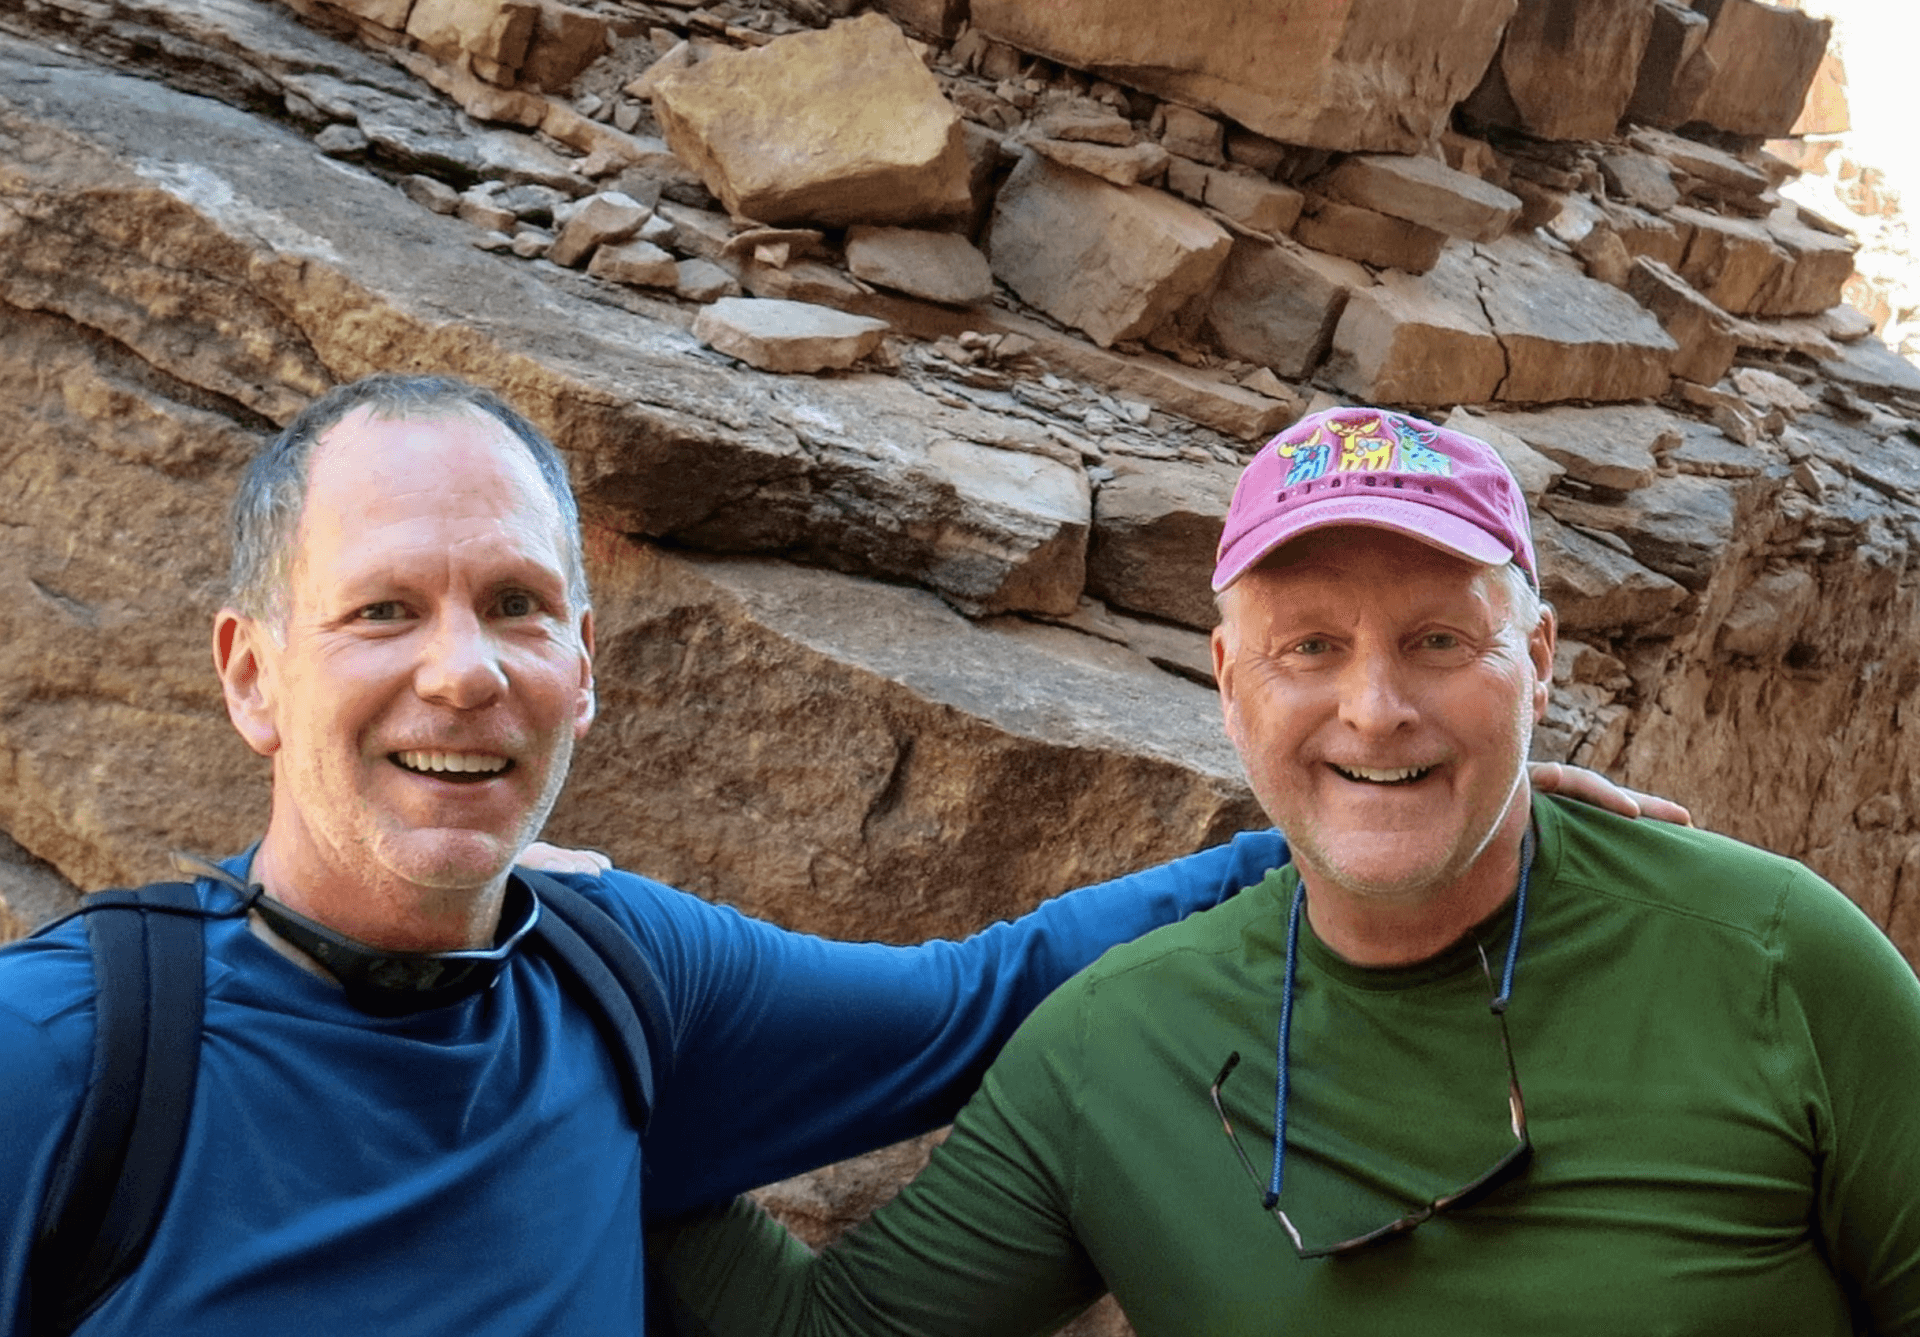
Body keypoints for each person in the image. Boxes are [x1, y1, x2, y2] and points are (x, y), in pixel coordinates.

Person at [0, 377, 1675, 1335]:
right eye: (383, 610)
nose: (464, 670)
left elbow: (986, 995)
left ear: (585, 660)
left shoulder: (616, 980)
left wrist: (1364, 832)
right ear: (250, 672)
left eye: (515, 606)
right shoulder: (69, 1057)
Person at [650, 407, 1920, 1335]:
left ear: (1539, 661)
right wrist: (548, 1002)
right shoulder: (1112, 1047)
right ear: (1226, 680)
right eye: (1308, 646)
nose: (1375, 710)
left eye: (1439, 640)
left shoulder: (1772, 957)